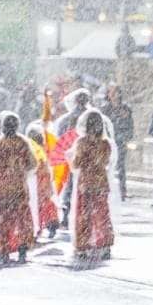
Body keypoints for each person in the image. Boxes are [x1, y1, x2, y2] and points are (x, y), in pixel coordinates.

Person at [0, 112, 38, 263]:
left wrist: (4, 166)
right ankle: (22, 247)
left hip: (2, 186)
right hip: (19, 186)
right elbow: (33, 164)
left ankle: (5, 248)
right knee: (22, 218)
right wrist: (18, 167)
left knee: (3, 219)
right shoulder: (23, 142)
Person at [67, 109, 116, 261]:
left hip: (86, 183)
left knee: (84, 215)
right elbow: (107, 162)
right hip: (101, 182)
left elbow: (77, 163)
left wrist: (71, 157)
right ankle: (105, 244)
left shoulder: (82, 142)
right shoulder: (106, 143)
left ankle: (83, 246)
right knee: (102, 214)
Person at [55, 88, 92, 228]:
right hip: (89, 158)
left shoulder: (66, 119)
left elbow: (60, 138)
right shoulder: (93, 117)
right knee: (86, 188)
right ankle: (86, 216)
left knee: (69, 186)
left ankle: (66, 214)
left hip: (71, 157)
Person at [26, 123, 60, 239]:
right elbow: (47, 170)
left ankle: (38, 227)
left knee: (36, 206)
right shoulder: (42, 151)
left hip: (34, 181)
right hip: (43, 181)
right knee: (47, 203)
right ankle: (52, 222)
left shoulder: (29, 149)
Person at [102, 85, 134, 201]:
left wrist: (126, 137)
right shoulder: (105, 109)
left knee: (121, 167)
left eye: (116, 93)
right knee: (106, 166)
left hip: (120, 141)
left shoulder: (125, 108)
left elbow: (130, 125)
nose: (115, 95)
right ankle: (106, 189)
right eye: (112, 93)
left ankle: (122, 191)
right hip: (108, 142)